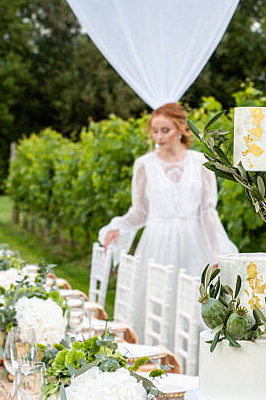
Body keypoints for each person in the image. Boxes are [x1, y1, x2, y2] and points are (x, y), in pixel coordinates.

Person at [100, 102, 237, 282]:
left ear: (181, 128)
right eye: (155, 131)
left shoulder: (202, 163)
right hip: (156, 243)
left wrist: (217, 249)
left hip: (193, 244)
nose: (159, 137)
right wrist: (119, 225)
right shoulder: (144, 165)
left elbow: (208, 211)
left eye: (165, 130)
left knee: (192, 298)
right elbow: (140, 212)